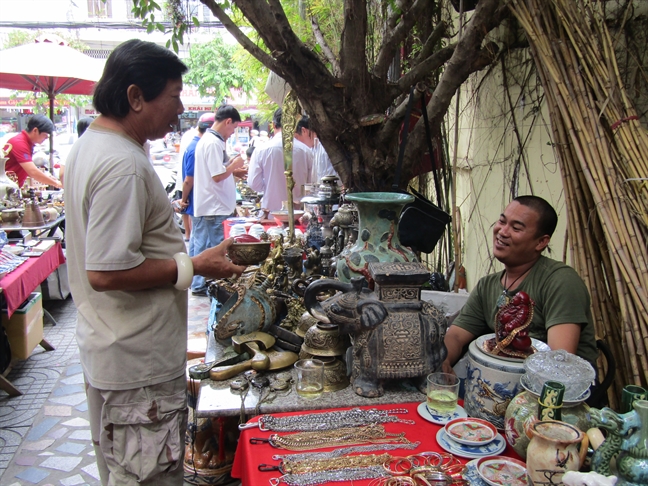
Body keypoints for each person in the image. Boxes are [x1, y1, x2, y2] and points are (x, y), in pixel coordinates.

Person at [63, 39, 245, 486]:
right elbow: (104, 272)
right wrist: (193, 266)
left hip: (116, 352)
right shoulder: (121, 163)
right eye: (173, 96)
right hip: (135, 366)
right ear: (135, 97)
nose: (179, 109)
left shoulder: (94, 145)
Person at [442, 195, 598, 373]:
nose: (502, 231)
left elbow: (559, 362)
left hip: (554, 391)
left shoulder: (560, 281)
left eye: (516, 228)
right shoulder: (487, 285)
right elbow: (455, 335)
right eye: (502, 221)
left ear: (541, 242)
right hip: (498, 382)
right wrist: (444, 361)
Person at [191, 104, 247, 296]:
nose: (232, 133)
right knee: (214, 249)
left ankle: (199, 284)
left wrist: (233, 170)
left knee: (202, 245)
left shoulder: (209, 140)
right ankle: (213, 287)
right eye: (234, 128)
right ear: (228, 121)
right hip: (213, 206)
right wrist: (235, 165)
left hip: (209, 204)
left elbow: (216, 171)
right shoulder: (213, 142)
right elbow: (217, 175)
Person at [248, 110, 314, 213]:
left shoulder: (261, 150)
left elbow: (254, 184)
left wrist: (270, 183)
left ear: (273, 125)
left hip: (271, 211)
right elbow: (311, 184)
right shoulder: (306, 151)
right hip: (298, 213)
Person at [177, 113, 214, 256]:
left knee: (196, 240)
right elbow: (188, 180)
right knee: (200, 243)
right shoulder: (196, 148)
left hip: (197, 202)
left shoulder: (194, 145)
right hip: (198, 202)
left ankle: (194, 276)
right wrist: (184, 200)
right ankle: (198, 278)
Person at [3, 114, 62, 189]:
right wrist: (56, 183)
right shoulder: (19, 142)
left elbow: (30, 169)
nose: (46, 138)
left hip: (11, 188)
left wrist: (48, 177)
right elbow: (32, 171)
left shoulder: (27, 143)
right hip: (5, 189)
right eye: (45, 135)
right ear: (35, 130)